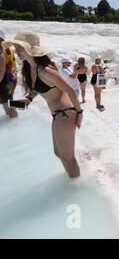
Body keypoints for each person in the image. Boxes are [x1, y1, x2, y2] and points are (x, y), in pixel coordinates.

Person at [3, 31, 83, 178]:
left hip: (65, 113)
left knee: (67, 157)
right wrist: (29, 99)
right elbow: (39, 88)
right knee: (58, 153)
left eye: (19, 48)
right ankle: (72, 180)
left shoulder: (45, 70)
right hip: (58, 114)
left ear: (29, 49)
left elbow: (70, 90)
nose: (16, 52)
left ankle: (76, 187)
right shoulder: (30, 68)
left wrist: (79, 113)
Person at [0, 28, 18, 118]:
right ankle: (16, 116)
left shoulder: (1, 49)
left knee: (6, 102)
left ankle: (14, 119)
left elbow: (1, 70)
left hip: (5, 78)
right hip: (12, 77)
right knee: (10, 100)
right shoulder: (8, 47)